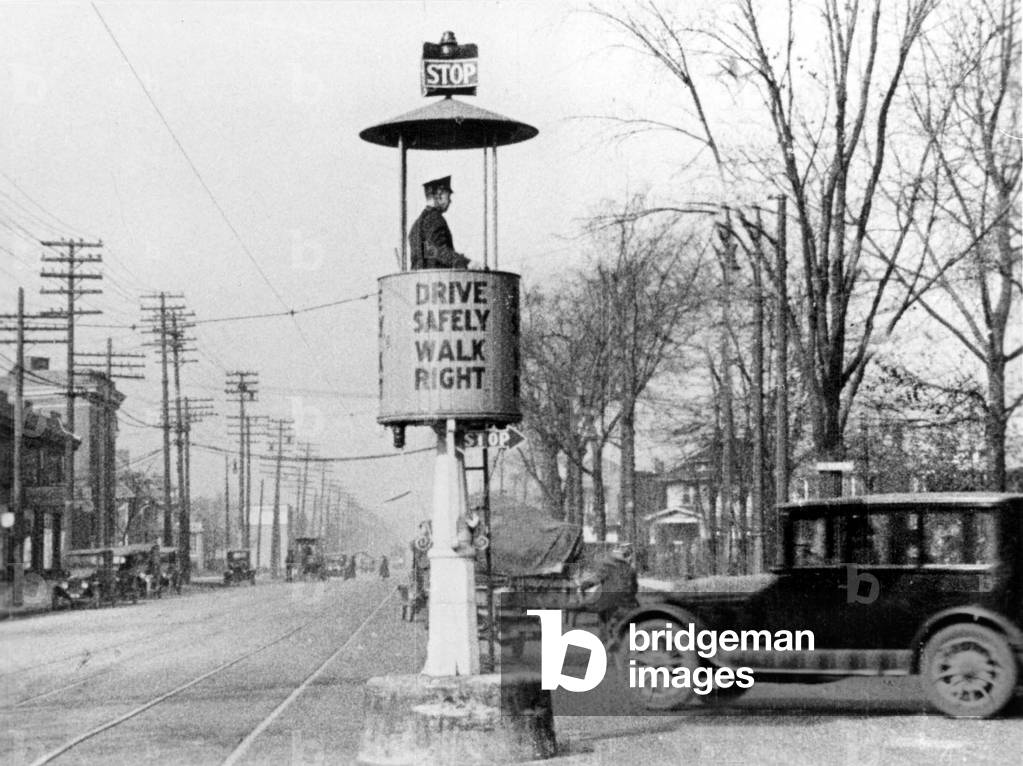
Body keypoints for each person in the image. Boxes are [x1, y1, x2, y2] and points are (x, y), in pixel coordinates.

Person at [408, 176, 476, 270]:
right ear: (439, 195)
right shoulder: (435, 218)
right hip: (436, 281)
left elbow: (429, 251)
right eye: (448, 196)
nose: (450, 201)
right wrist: (466, 263)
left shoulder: (416, 225)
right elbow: (439, 250)